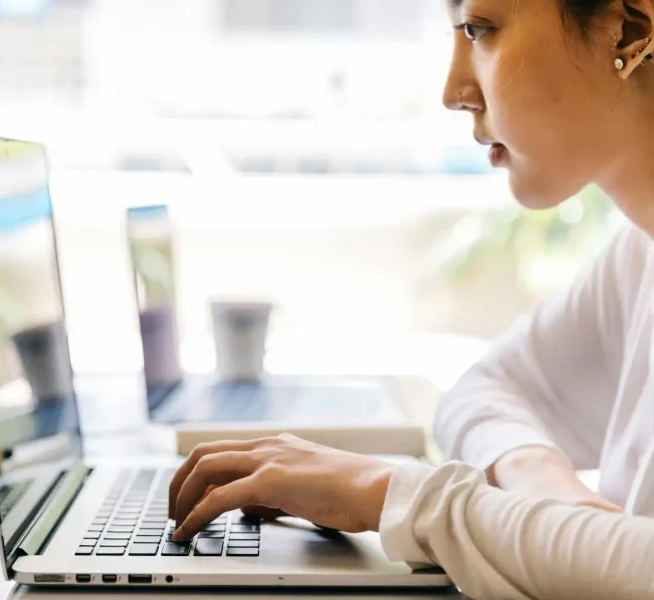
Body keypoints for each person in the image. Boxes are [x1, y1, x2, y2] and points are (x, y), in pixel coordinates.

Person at [168, 0, 654, 598]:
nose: (453, 91)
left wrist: (394, 498)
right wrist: (550, 495)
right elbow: (483, 390)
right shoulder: (639, 252)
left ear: (630, 31)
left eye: (479, 29)